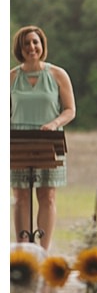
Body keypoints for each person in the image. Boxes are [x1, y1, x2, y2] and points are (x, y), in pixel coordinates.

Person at [10, 25, 77, 252]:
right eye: (26, 43)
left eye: (35, 42)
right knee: (20, 196)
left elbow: (69, 110)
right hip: (18, 142)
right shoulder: (10, 77)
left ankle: (43, 252)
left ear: (42, 45)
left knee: (47, 195)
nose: (31, 47)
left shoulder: (58, 74)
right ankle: (23, 251)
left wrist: (54, 124)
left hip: (49, 141)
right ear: (20, 48)